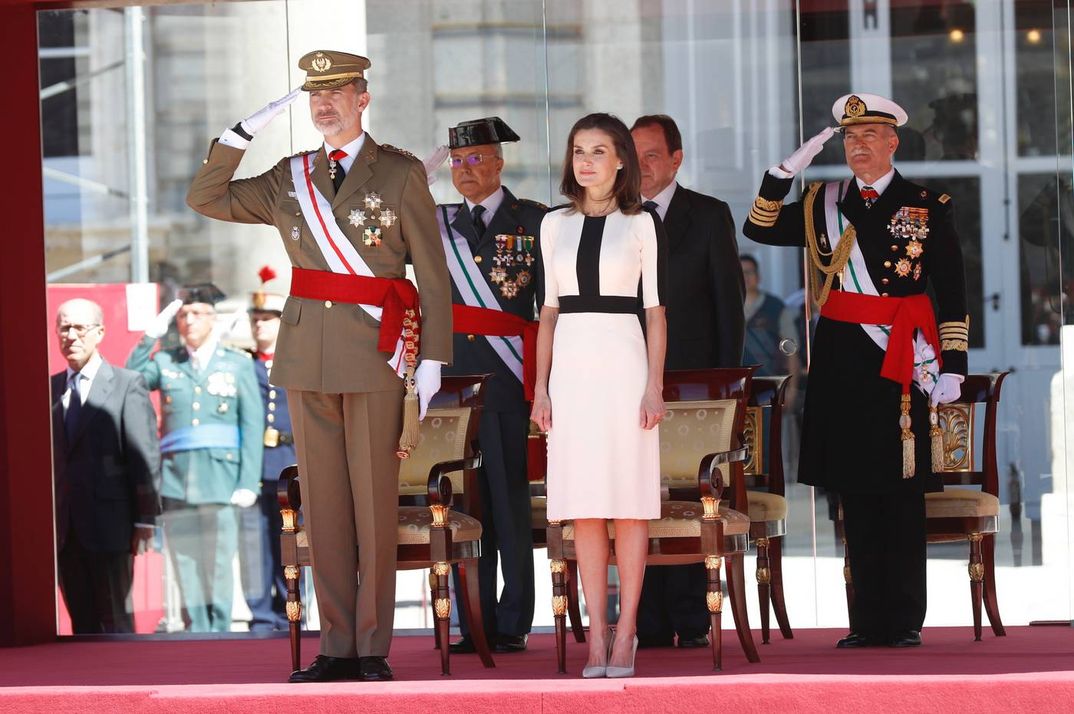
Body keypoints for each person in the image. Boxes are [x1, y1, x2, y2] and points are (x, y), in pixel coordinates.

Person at [186, 50, 452, 682]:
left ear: (364, 98)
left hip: (375, 356)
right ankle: (335, 647)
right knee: (324, 510)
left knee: (373, 509)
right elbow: (206, 197)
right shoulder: (289, 175)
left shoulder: (401, 173)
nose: (324, 103)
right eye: (315, 94)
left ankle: (371, 647)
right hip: (307, 357)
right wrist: (236, 137)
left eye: (338, 91)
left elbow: (433, 276)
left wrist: (434, 358)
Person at [742, 93, 969, 648]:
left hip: (901, 356)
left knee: (901, 490)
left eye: (870, 136)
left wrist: (954, 366)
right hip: (844, 355)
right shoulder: (824, 200)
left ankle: (905, 619)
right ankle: (866, 620)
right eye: (850, 137)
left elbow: (953, 290)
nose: (858, 146)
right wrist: (780, 175)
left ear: (893, 143)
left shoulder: (926, 203)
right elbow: (759, 229)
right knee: (855, 491)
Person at [531, 113, 667, 678]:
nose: (586, 160)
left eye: (599, 150)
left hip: (625, 363)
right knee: (585, 507)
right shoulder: (552, 224)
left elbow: (655, 311)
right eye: (578, 150)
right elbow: (546, 314)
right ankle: (595, 636)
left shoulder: (642, 222)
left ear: (620, 161)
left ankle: (627, 629)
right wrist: (539, 388)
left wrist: (654, 384)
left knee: (629, 504)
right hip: (571, 372)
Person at [630, 114, 744, 649]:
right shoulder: (613, 215)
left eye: (652, 155)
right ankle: (647, 620)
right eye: (634, 155)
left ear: (676, 159)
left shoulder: (708, 214)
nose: (642, 167)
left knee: (689, 497)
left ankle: (693, 617)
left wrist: (726, 393)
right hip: (629, 384)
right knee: (638, 500)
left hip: (694, 389)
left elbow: (729, 307)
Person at [435, 117, 546, 655]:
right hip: (454, 390)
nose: (465, 170)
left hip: (507, 383)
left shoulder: (534, 221)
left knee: (508, 506)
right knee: (466, 511)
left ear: (499, 163)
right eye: (456, 161)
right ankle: (472, 621)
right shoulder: (435, 224)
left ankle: (513, 620)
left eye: (476, 159)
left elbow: (549, 307)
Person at [127, 285, 262, 633]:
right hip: (177, 479)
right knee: (184, 561)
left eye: (197, 313)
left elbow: (251, 424)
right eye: (183, 315)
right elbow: (130, 379)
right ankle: (196, 631)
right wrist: (149, 337)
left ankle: (219, 630)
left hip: (221, 477)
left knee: (218, 561)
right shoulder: (166, 361)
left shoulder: (237, 363)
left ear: (213, 319)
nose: (189, 321)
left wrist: (248, 481)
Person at [51, 298, 161, 634]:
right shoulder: (51, 388)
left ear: (99, 332)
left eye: (79, 328)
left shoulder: (127, 383)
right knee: (80, 622)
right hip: (64, 529)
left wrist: (146, 518)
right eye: (64, 328)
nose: (71, 336)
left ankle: (123, 684)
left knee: (115, 619)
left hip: (110, 524)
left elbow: (143, 452)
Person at [238, 266, 295, 632]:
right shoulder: (241, 364)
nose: (260, 327)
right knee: (256, 545)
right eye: (255, 320)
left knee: (291, 541)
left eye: (268, 320)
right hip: (255, 467)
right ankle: (262, 613)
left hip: (291, 464)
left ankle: (293, 603)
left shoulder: (296, 362)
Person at [741, 253, 797, 376]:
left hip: (771, 382)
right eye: (740, 272)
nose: (745, 277)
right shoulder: (727, 308)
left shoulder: (776, 307)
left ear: (758, 276)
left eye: (749, 272)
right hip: (736, 386)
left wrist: (792, 389)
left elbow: (791, 349)